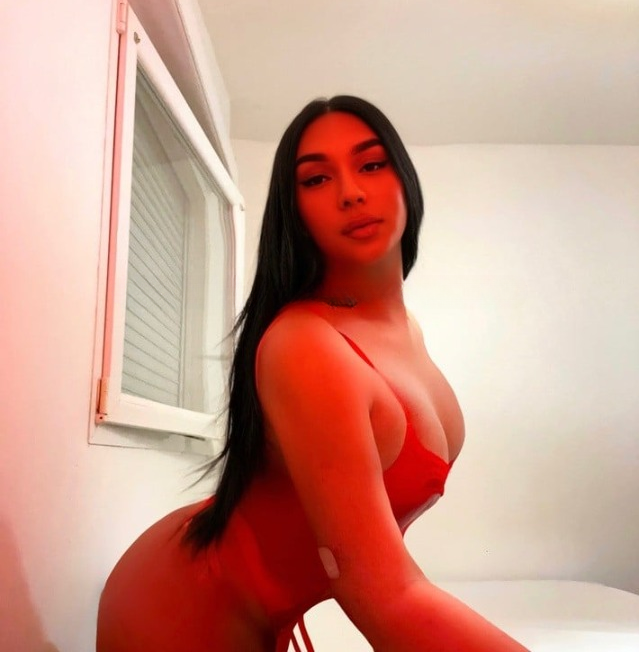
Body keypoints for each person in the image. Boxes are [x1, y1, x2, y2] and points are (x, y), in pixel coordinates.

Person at [97, 96, 528, 651]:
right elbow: (387, 596)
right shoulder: (305, 346)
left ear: (404, 179)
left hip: (260, 605)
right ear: (294, 210)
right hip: (184, 605)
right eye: (317, 179)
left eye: (371, 164)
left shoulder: (407, 331)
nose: (350, 192)